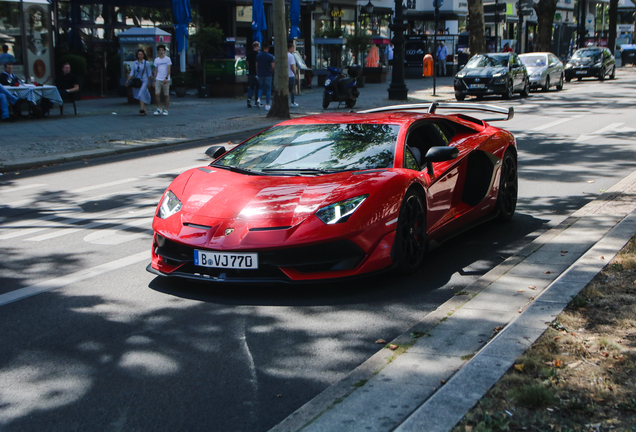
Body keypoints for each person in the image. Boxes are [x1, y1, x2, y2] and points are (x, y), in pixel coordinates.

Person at [125, 49, 153, 116]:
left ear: (143, 55)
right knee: (140, 95)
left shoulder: (146, 63)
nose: (140, 56)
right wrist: (128, 80)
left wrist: (149, 83)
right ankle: (144, 110)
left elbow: (149, 74)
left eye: (141, 54)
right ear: (137, 55)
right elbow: (132, 72)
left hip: (144, 80)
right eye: (139, 54)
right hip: (138, 81)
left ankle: (142, 110)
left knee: (140, 94)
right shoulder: (135, 63)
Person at [152, 45, 171, 116]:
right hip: (158, 79)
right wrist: (154, 80)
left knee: (166, 95)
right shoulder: (156, 60)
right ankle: (159, 108)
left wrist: (166, 78)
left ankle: (166, 109)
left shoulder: (167, 59)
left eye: (162, 50)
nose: (161, 51)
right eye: (160, 50)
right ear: (158, 51)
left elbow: (169, 69)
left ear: (164, 51)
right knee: (157, 94)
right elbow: (155, 70)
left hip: (166, 79)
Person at [256, 41, 275, 111]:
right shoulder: (271, 56)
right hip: (268, 74)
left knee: (260, 87)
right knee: (268, 89)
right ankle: (267, 104)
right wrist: (272, 70)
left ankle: (258, 98)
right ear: (268, 48)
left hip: (260, 74)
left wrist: (257, 72)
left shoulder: (258, 56)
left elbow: (256, 65)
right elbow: (273, 66)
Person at [246, 41, 260, 108]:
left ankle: (249, 98)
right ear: (256, 46)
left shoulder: (249, 54)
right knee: (257, 87)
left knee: (251, 87)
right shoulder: (258, 55)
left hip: (251, 72)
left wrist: (248, 69)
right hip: (257, 73)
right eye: (259, 46)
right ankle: (256, 101)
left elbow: (247, 64)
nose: (259, 48)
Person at [287, 43, 298, 107]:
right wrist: (295, 74)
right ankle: (292, 101)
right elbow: (292, 66)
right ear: (290, 48)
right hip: (291, 75)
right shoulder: (291, 56)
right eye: (293, 48)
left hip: (285, 75)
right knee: (292, 90)